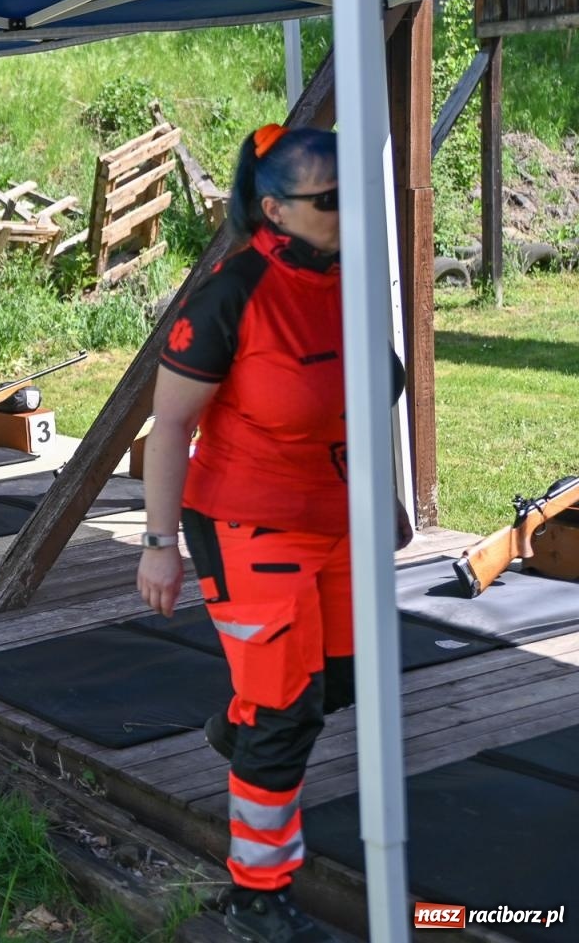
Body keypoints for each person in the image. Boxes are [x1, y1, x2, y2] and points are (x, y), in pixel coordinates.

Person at [137, 124, 389, 943]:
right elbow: (169, 427)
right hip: (245, 523)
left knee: (344, 683)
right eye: (331, 199)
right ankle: (256, 893)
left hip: (334, 515)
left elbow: (371, 383)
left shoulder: (349, 277)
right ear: (274, 209)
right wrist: (158, 543)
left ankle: (240, 730)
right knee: (289, 714)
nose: (349, 210)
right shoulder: (230, 291)